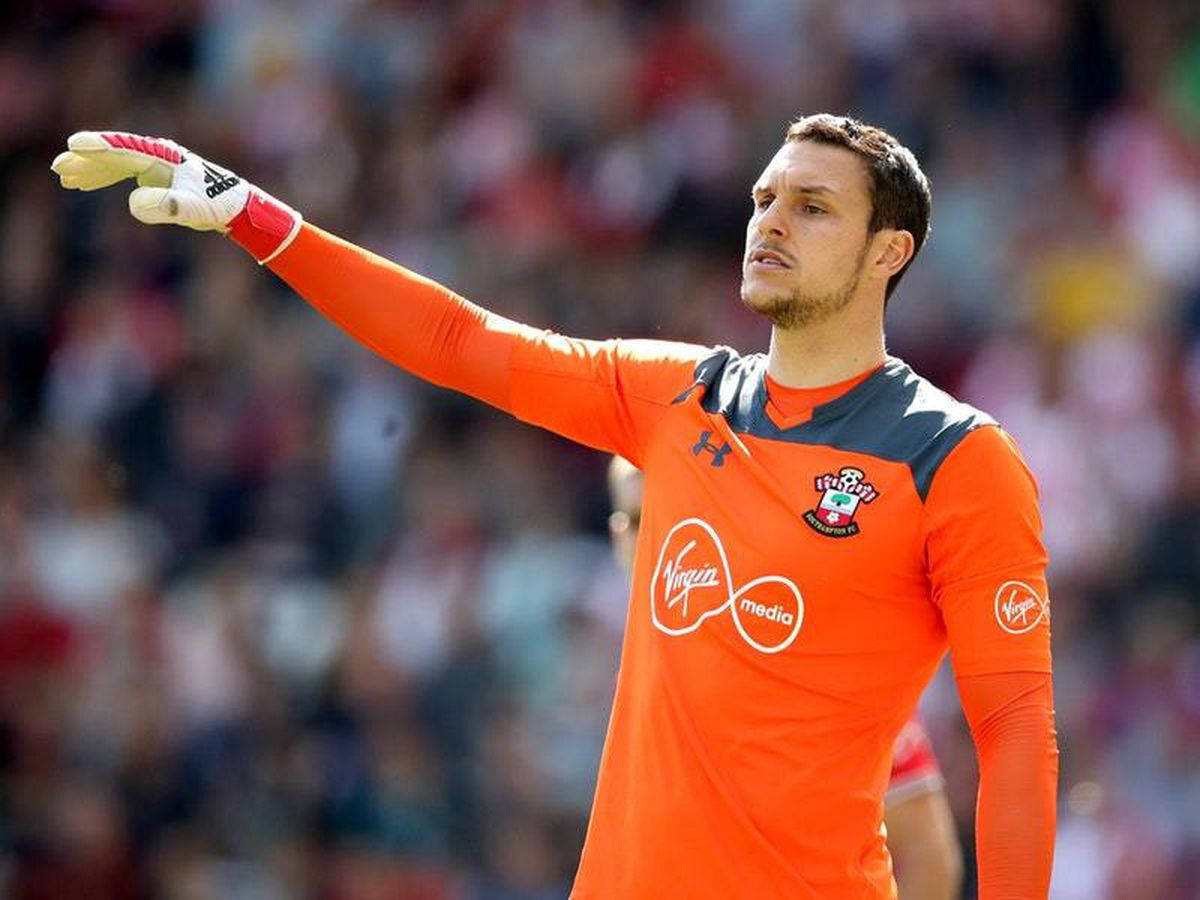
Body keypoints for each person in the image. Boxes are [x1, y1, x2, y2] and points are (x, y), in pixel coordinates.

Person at [52, 114, 1058, 898]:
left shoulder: (954, 459)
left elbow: (1014, 733)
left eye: (813, 206)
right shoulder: (679, 394)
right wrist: (249, 213)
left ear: (890, 252)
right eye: (764, 197)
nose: (769, 221)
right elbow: (457, 341)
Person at [608, 456, 963, 899]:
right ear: (618, 535)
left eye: (674, 511)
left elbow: (929, 855)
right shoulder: (619, 670)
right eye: (642, 519)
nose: (657, 539)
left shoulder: (806, 655)